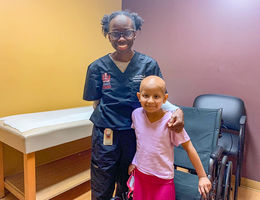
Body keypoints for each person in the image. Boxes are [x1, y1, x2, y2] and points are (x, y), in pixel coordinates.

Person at [83, 10, 184, 200]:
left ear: (135, 33)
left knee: (129, 180)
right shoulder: (96, 67)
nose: (121, 38)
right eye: (115, 33)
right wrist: (109, 122)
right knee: (102, 182)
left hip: (135, 134)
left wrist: (178, 110)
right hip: (106, 134)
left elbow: (159, 98)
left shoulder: (148, 65)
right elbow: (96, 103)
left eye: (127, 32)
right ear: (108, 34)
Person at [128, 75, 212, 200]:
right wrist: (135, 161)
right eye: (146, 96)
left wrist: (202, 176)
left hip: (163, 179)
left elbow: (189, 148)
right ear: (139, 96)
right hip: (141, 175)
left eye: (156, 96)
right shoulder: (136, 115)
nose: (150, 101)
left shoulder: (171, 122)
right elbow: (141, 142)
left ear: (165, 98)